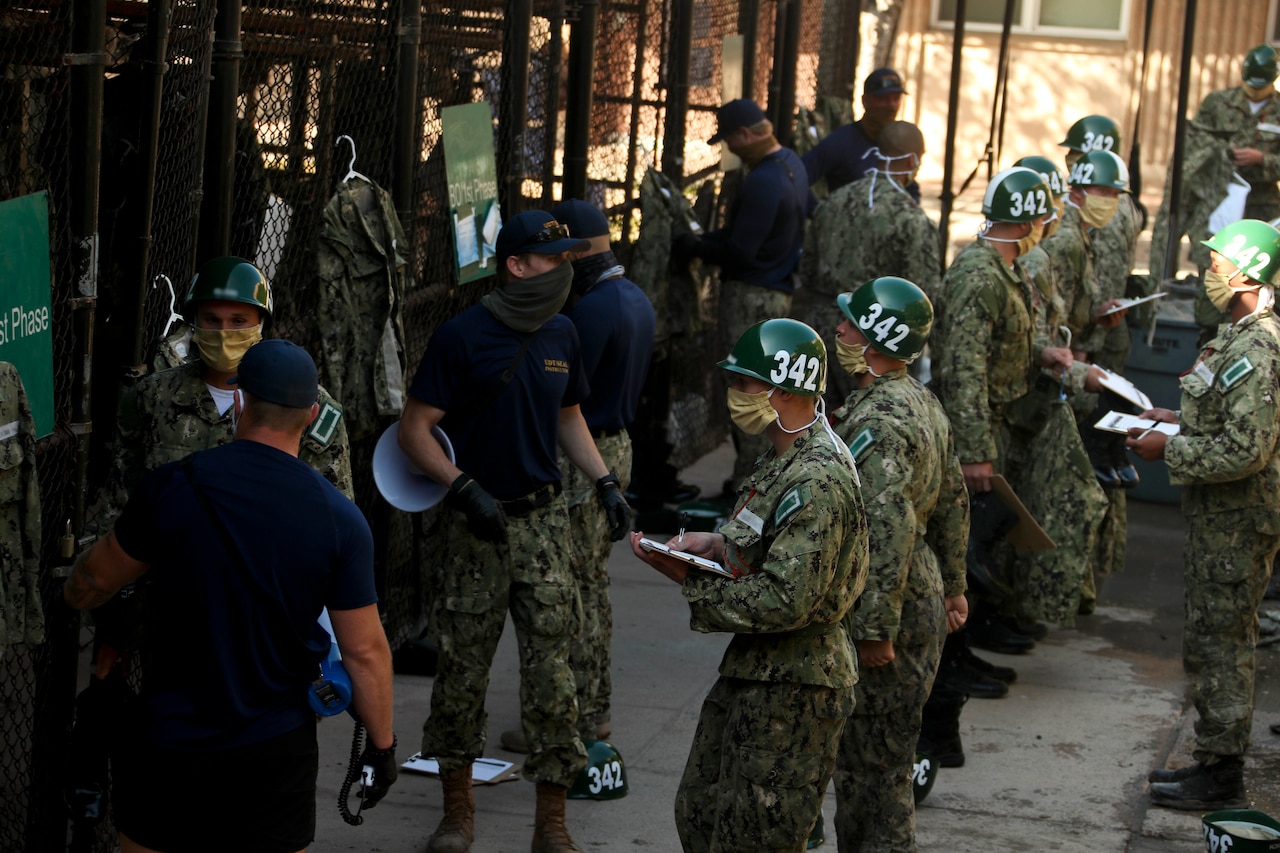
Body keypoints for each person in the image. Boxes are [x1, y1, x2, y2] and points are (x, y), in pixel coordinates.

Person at [63, 339, 396, 853]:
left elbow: (96, 581)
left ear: (239, 400)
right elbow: (364, 651)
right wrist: (381, 745)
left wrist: (69, 592)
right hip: (275, 745)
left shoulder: (171, 487)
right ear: (309, 415)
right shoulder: (340, 520)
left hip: (170, 734)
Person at [398, 209, 631, 853]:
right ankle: (456, 814)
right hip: (476, 528)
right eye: (551, 259)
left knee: (554, 678)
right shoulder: (462, 336)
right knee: (462, 675)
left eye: (567, 259)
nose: (564, 269)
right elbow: (414, 430)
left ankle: (551, 823)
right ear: (516, 266)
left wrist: (605, 482)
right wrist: (460, 485)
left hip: (543, 526)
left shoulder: (563, 334)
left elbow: (570, 417)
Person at [629, 318, 867, 853]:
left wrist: (692, 584)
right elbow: (767, 542)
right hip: (760, 674)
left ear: (782, 391)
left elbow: (786, 598)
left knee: (755, 836)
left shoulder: (817, 479)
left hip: (795, 688)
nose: (733, 394)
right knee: (704, 810)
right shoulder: (786, 457)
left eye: (743, 383)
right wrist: (718, 547)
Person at [1131, 219, 1280, 810]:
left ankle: (1222, 776)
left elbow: (1249, 449)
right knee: (1209, 643)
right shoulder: (1236, 334)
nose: (1206, 274)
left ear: (1247, 273)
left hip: (1238, 523)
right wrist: (1177, 420)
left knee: (1223, 646)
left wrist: (1172, 449)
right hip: (1221, 519)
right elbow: (1226, 424)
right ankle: (1212, 761)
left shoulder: (1258, 348)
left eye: (1215, 264)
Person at [498, 198, 656, 752]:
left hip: (584, 451)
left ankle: (577, 719)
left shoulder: (588, 311)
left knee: (572, 592)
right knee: (592, 586)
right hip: (615, 446)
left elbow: (562, 397)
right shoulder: (632, 296)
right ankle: (594, 712)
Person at [827, 278, 968, 852]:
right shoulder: (919, 399)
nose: (838, 329)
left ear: (879, 339)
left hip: (893, 606)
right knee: (884, 763)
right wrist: (955, 587)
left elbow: (886, 532)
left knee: (870, 773)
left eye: (851, 324)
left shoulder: (878, 421)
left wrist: (875, 631)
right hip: (922, 589)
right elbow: (956, 497)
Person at [96, 256, 355, 530]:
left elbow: (332, 521)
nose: (223, 333)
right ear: (194, 322)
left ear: (261, 324)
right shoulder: (152, 397)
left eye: (238, 321)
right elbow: (120, 504)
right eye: (212, 319)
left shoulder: (307, 405)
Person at [930, 166, 1065, 663]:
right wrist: (976, 453)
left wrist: (1044, 354)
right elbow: (962, 368)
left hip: (1003, 420)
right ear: (1030, 222)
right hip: (980, 429)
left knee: (983, 547)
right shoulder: (979, 275)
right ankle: (952, 658)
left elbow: (1005, 342)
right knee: (961, 549)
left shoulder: (1010, 269)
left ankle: (973, 638)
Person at [673, 97, 810, 491]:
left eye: (730, 141)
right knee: (765, 390)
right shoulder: (792, 164)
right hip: (777, 291)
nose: (729, 149)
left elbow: (740, 250)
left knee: (749, 392)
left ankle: (749, 484)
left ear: (746, 135)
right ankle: (752, 479)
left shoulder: (764, 180)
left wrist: (695, 248)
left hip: (753, 294)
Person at [796, 121, 939, 406]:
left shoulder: (833, 202)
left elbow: (808, 270)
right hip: (873, 341)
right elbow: (923, 296)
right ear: (912, 160)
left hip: (817, 331)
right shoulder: (912, 219)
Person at [1150, 47, 1280, 343]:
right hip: (1219, 198)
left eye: (1261, 87)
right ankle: (1211, 329)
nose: (1255, 92)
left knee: (1260, 273)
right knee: (1217, 265)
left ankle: (1259, 329)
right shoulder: (1218, 103)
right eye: (1250, 85)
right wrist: (1221, 154)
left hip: (1261, 205)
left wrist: (1264, 159)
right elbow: (1196, 142)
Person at [801, 67, 919, 201]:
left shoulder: (899, 141)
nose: (891, 105)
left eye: (896, 99)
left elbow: (911, 189)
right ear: (865, 101)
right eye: (884, 99)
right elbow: (797, 178)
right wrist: (819, 212)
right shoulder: (842, 141)